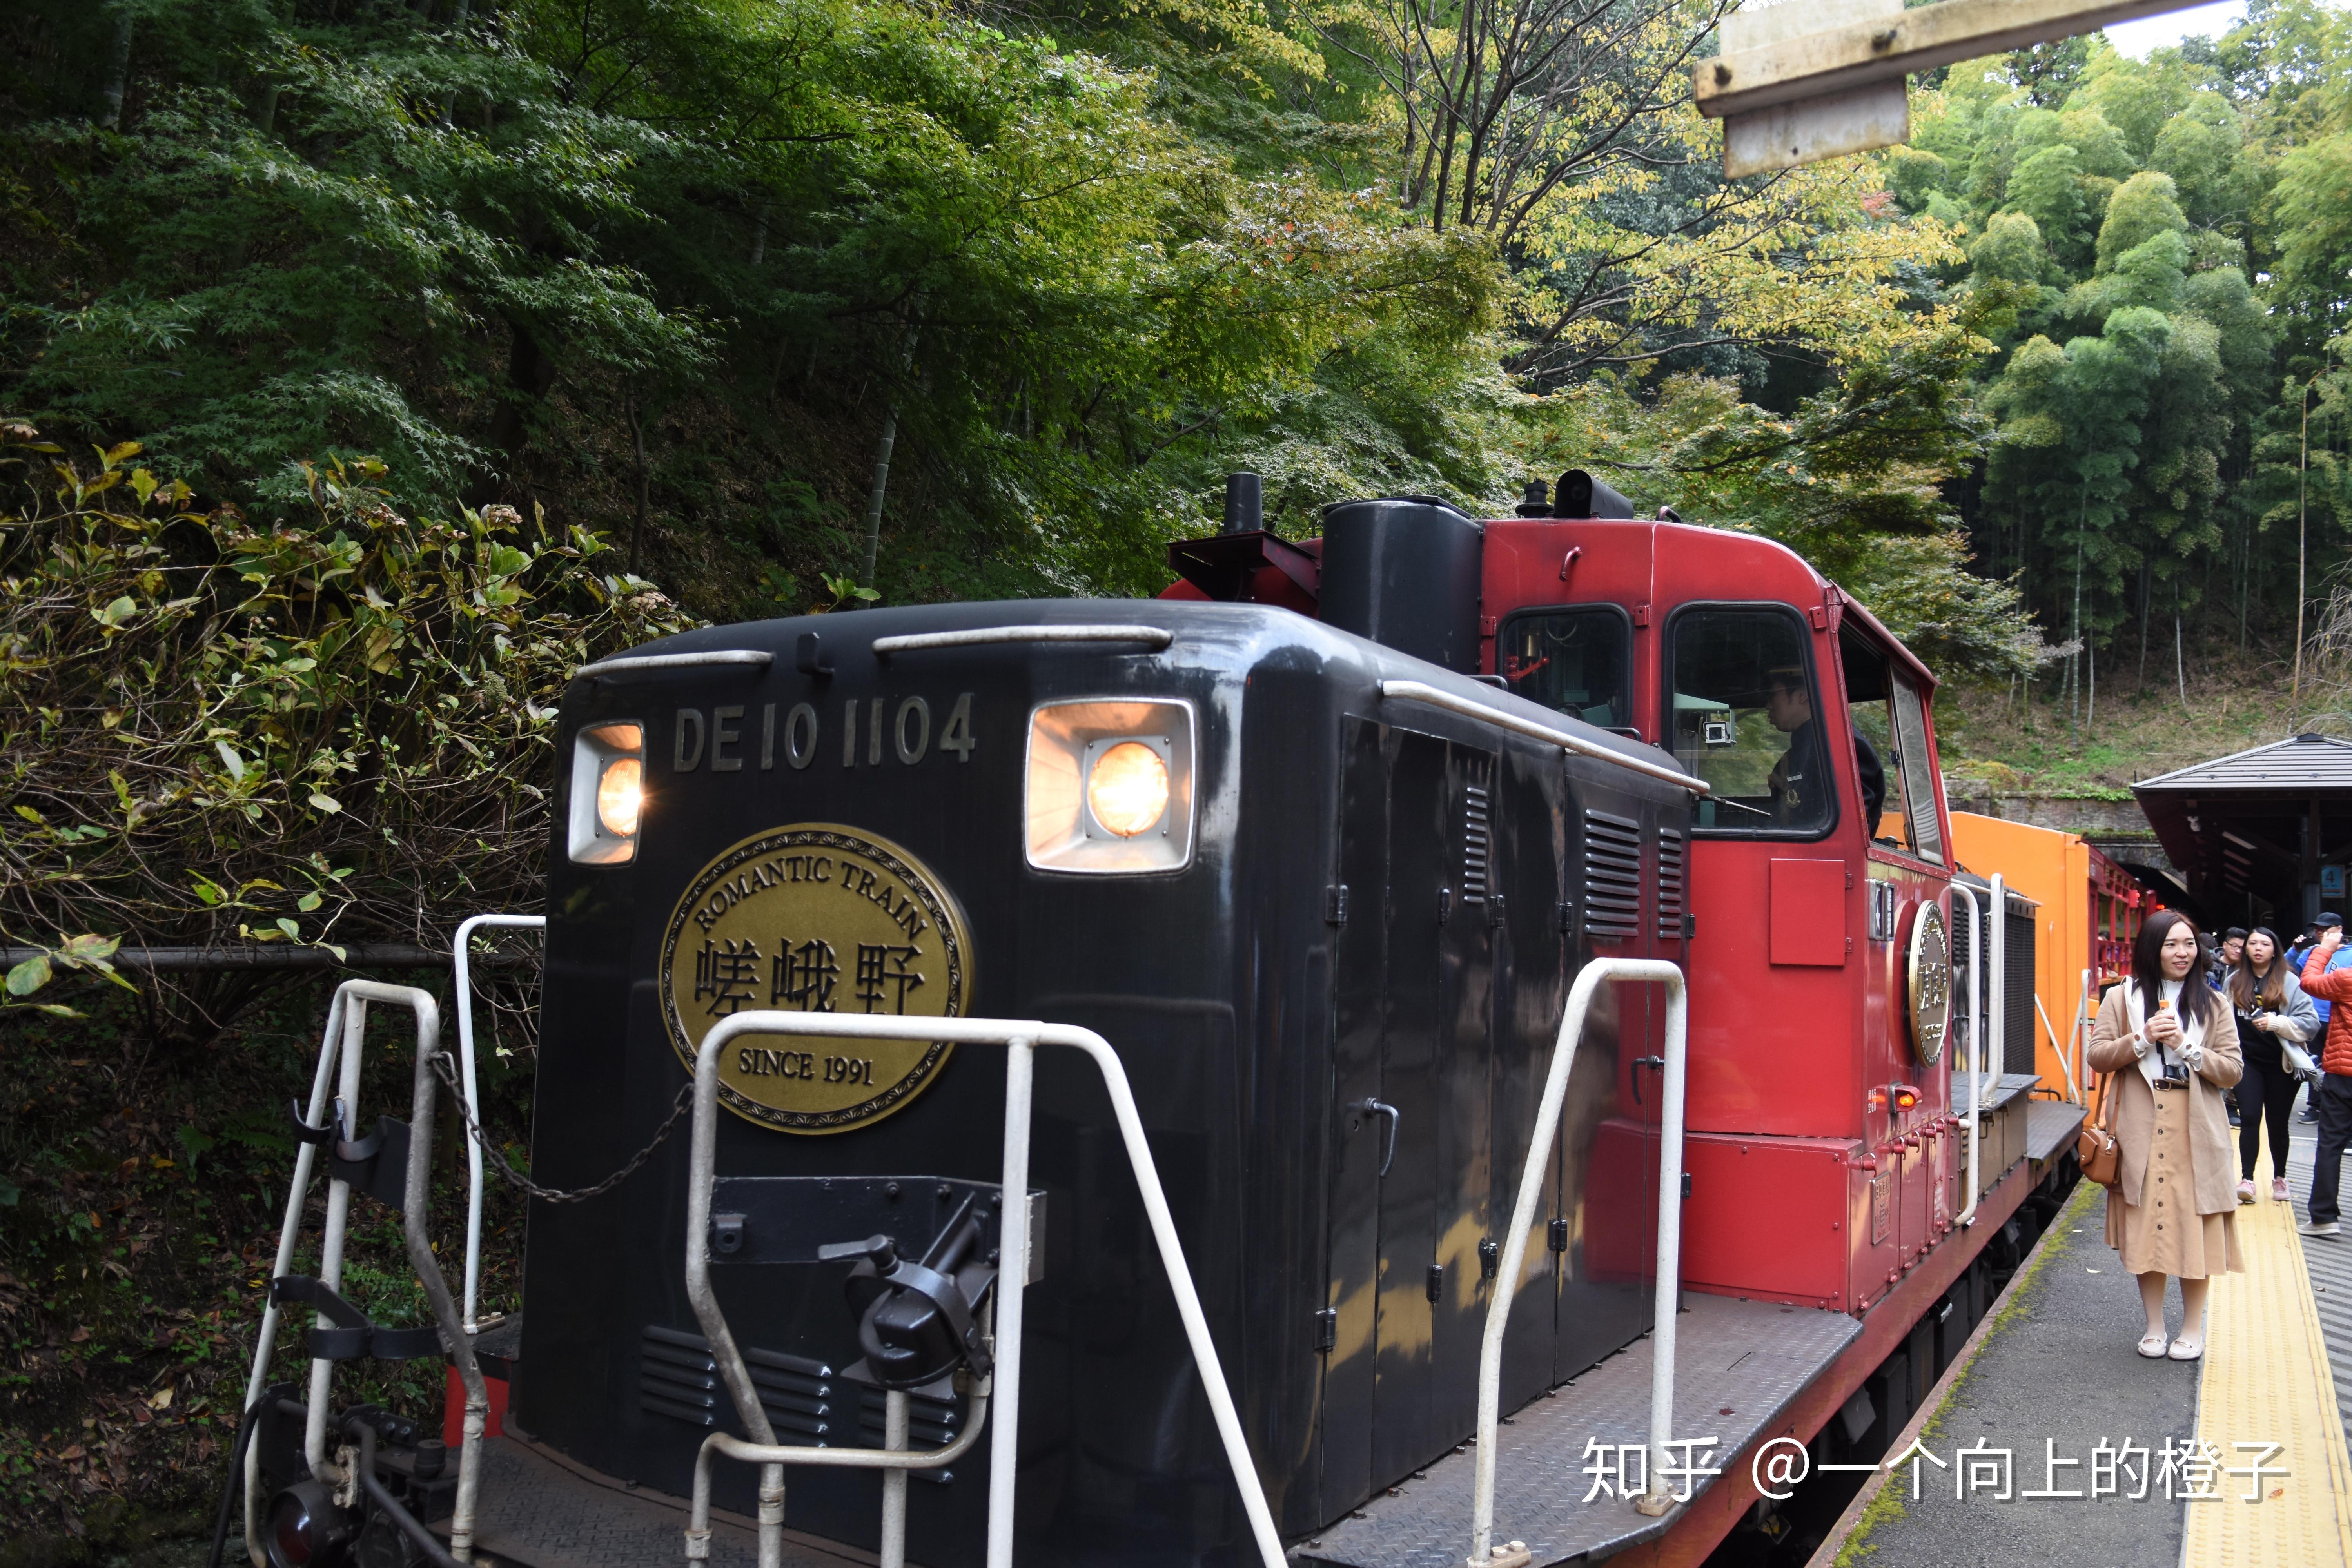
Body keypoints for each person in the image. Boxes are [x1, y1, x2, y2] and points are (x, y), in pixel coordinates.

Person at [2087, 911, 2243, 1359]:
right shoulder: (2122, 998)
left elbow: (2232, 1071)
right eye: (2172, 944)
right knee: (2147, 1226)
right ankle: (2155, 1326)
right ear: (2152, 949)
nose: (2182, 953)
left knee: (2194, 1226)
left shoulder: (2215, 1004)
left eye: (2190, 944)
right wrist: (2141, 1039)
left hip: (2196, 1124)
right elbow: (2098, 1056)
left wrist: (2186, 1047)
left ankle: (2192, 1328)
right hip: (2140, 1120)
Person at [2227, 927, 2319, 1204]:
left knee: (2278, 1123)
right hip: (2247, 1063)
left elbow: (2311, 1023)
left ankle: (2280, 1177)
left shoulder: (2289, 982)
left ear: (2274, 950)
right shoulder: (2233, 982)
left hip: (2282, 1065)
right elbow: (2220, 1018)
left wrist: (2278, 1023)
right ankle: (2247, 1179)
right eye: (2252, 943)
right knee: (2251, 1117)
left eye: (2264, 944)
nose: (2257, 948)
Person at [1763, 668, 1884, 830]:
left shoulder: (1842, 746)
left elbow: (1852, 830)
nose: (1768, 706)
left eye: (1773, 696)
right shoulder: (1796, 754)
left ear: (1802, 696)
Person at [2296, 924, 2352, 1237]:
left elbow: (2309, 982)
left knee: (2331, 1144)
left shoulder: (2347, 978)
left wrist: (2326, 948)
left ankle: (2324, 1217)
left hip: (2343, 1077)